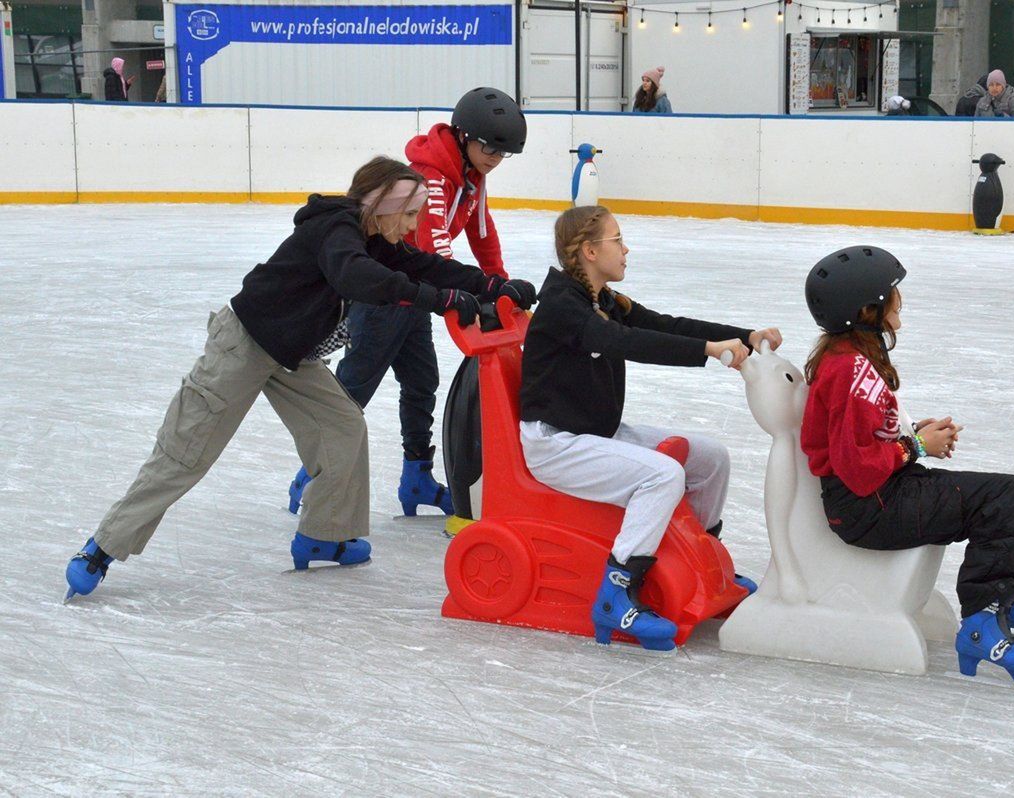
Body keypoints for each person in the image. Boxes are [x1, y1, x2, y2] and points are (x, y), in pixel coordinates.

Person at [64, 156, 512, 601]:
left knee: (343, 426)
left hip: (291, 355)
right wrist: (435, 300)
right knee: (187, 453)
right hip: (244, 345)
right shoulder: (336, 231)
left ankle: (323, 535)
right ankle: (102, 548)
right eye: (410, 214)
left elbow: (425, 266)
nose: (413, 226)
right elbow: (357, 276)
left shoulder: (373, 237)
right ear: (382, 205)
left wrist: (491, 286)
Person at [800, 245, 1014, 686]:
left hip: (881, 493)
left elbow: (861, 437)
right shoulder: (848, 371)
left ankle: (1013, 598)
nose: (900, 302)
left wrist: (910, 434)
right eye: (892, 295)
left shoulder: (851, 359)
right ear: (867, 310)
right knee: (1003, 499)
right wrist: (915, 445)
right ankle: (981, 623)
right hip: (868, 508)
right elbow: (857, 471)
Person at [519, 205, 781, 652]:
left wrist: (746, 334)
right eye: (617, 240)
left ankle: (698, 562)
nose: (626, 249)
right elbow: (625, 342)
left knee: (710, 458)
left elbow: (662, 325)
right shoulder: (565, 306)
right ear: (588, 250)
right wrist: (707, 351)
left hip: (594, 434)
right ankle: (616, 593)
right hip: (556, 444)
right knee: (662, 474)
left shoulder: (602, 299)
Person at [286, 87, 533, 521]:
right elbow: (435, 245)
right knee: (354, 389)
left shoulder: (472, 176)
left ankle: (416, 477)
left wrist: (500, 286)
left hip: (419, 295)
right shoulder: (431, 176)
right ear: (463, 135)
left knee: (421, 382)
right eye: (490, 147)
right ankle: (312, 475)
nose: (495, 158)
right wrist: (469, 295)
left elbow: (482, 231)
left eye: (504, 152)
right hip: (387, 292)